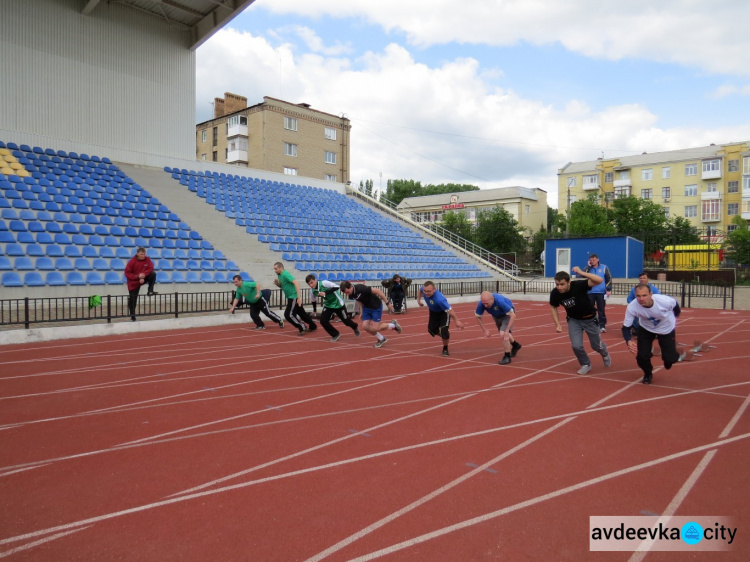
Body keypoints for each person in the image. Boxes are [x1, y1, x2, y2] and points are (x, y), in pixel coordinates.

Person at [621, 283, 691, 385]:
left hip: (666, 329)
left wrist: (675, 315)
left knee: (670, 359)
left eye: (644, 295)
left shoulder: (664, 301)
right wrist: (628, 340)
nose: (641, 299)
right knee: (642, 357)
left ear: (651, 294)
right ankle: (648, 373)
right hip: (646, 328)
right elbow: (626, 328)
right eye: (638, 296)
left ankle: (669, 359)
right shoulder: (632, 307)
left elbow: (675, 305)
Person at [549, 268, 612, 375]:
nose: (559, 287)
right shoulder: (555, 293)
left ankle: (604, 353)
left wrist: (582, 273)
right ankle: (585, 364)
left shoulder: (578, 285)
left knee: (596, 346)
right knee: (576, 346)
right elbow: (553, 307)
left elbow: (599, 280)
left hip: (590, 319)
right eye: (557, 284)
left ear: (569, 282)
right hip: (574, 320)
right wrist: (557, 324)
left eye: (562, 284)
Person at [340, 281, 401, 348]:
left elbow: (378, 291)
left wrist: (387, 303)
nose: (347, 294)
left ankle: (393, 325)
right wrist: (361, 311)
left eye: (347, 292)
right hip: (366, 308)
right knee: (365, 326)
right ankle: (381, 338)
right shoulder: (351, 293)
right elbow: (359, 300)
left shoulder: (361, 288)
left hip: (375, 306)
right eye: (345, 293)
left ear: (351, 287)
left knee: (376, 328)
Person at [416, 280, 465, 357]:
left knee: (444, 331)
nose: (426, 293)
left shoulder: (440, 300)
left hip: (444, 313)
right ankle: (445, 336)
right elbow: (420, 290)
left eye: (428, 291)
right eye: (425, 291)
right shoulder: (423, 289)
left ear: (434, 290)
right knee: (431, 330)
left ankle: (445, 348)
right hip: (433, 312)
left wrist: (457, 321)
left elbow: (450, 310)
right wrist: (418, 300)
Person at [306, 274, 359, 341]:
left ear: (315, 280)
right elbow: (313, 301)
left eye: (311, 282)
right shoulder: (312, 291)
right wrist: (314, 310)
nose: (311, 285)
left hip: (338, 303)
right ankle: (335, 334)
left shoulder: (324, 283)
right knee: (323, 321)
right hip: (328, 305)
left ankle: (355, 326)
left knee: (346, 321)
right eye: (309, 284)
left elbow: (337, 287)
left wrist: (325, 292)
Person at [475, 291, 521, 365]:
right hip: (496, 315)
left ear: (492, 299)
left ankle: (507, 356)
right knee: (503, 334)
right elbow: (478, 317)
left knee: (503, 333)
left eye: (487, 303)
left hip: (507, 314)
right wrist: (485, 330)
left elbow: (513, 315)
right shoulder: (481, 304)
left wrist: (507, 330)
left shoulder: (500, 301)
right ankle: (516, 345)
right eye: (484, 304)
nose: (485, 306)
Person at [273, 262, 317, 335]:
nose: (275, 270)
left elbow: (296, 283)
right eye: (274, 269)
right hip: (291, 297)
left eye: (276, 269)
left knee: (288, 315)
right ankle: (313, 326)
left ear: (281, 268)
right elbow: (285, 286)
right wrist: (278, 285)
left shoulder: (285, 274)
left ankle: (302, 327)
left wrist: (299, 297)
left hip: (293, 297)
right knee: (302, 314)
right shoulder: (280, 275)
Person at [124, 247, 157, 322]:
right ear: (137, 254)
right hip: (133, 282)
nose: (143, 256)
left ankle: (150, 291)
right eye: (141, 254)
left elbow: (151, 268)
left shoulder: (147, 259)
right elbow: (127, 273)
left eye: (144, 254)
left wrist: (143, 275)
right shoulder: (132, 261)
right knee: (133, 299)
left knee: (153, 274)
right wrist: (137, 276)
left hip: (143, 278)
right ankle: (132, 316)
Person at [583, 254, 612, 332]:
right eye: (591, 260)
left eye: (593, 260)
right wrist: (588, 267)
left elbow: (608, 278)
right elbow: (583, 276)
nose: (592, 261)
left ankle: (602, 325)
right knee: (589, 309)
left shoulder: (604, 267)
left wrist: (608, 289)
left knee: (601, 310)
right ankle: (589, 325)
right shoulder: (588, 269)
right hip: (590, 292)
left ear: (597, 259)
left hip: (601, 292)